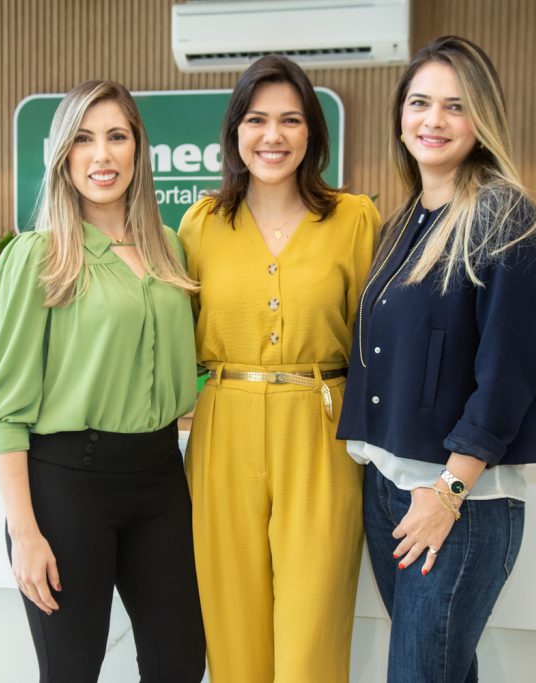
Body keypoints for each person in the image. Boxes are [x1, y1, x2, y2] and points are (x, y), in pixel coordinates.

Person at [337, 36, 536, 682]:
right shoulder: (401, 223)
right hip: (387, 489)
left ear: (482, 120)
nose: (432, 120)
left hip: (457, 501)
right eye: (419, 102)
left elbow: (508, 379)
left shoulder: (504, 216)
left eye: (454, 106)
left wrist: (448, 490)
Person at [0, 80, 205, 683]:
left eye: (116, 137)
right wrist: (24, 533)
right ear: (63, 156)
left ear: (138, 151)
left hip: (159, 476)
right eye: (83, 139)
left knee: (179, 662)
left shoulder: (171, 252)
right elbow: (5, 412)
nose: (101, 155)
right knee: (72, 670)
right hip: (67, 486)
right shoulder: (39, 256)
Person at [178, 55, 380, 683]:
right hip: (223, 427)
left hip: (321, 426)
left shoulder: (353, 219)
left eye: (291, 120)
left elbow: (377, 343)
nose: (273, 135)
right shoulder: (202, 223)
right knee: (229, 622)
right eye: (257, 119)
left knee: (311, 628)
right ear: (236, 131)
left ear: (313, 134)